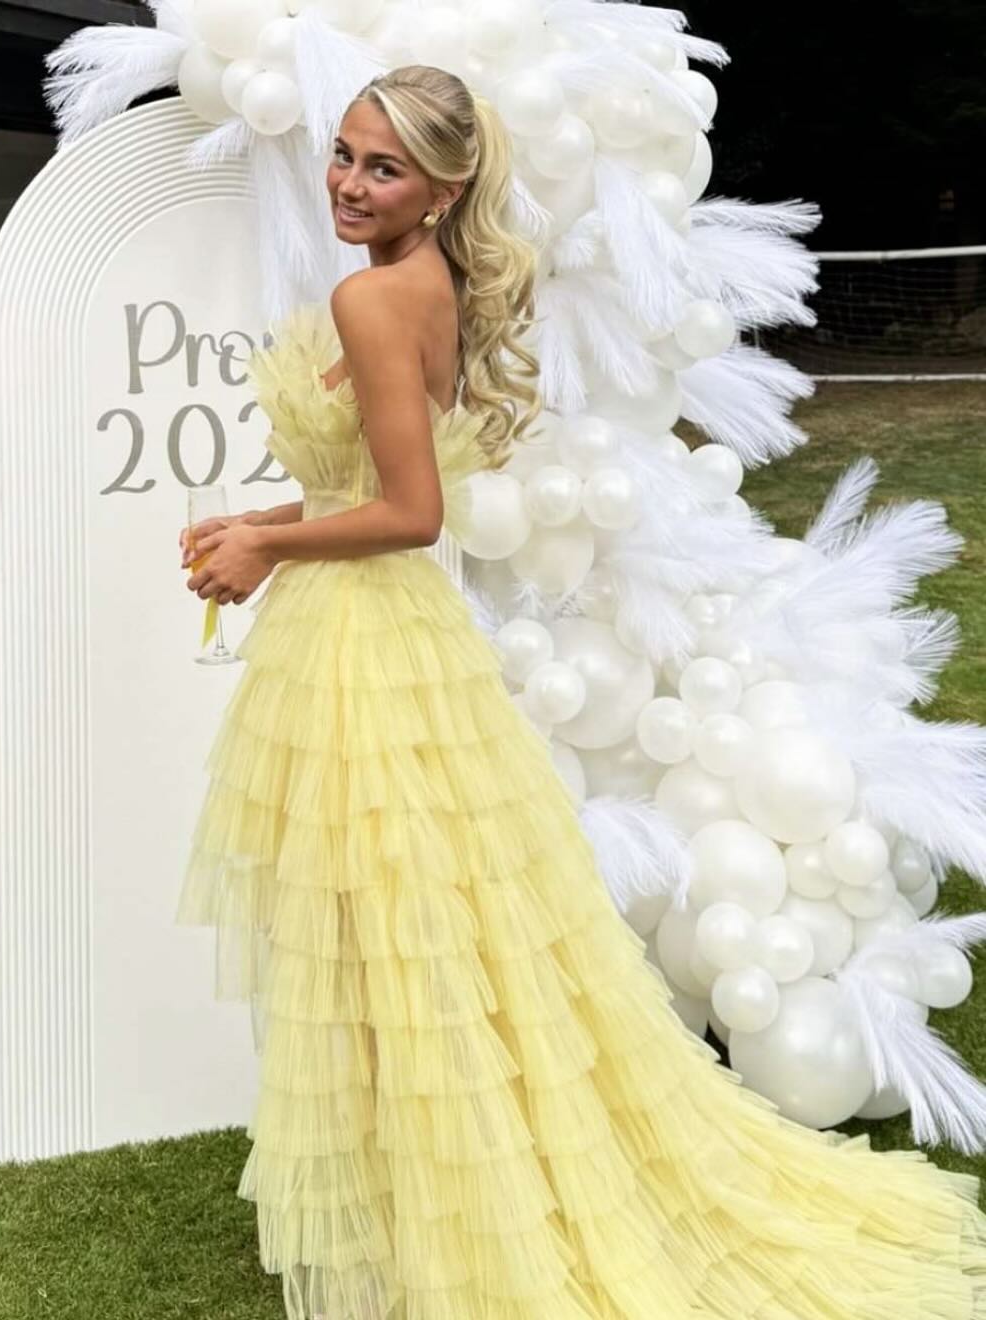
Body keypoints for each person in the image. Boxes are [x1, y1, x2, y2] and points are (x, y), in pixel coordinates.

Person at [175, 64, 986, 1320]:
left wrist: (262, 550)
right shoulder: (425, 284)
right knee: (422, 928)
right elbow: (373, 488)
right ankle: (434, 1202)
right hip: (384, 634)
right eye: (341, 154)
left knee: (391, 930)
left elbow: (411, 512)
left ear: (442, 192)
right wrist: (266, 518)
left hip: (363, 647)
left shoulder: (372, 296)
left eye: (380, 168)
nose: (346, 182)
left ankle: (451, 1220)